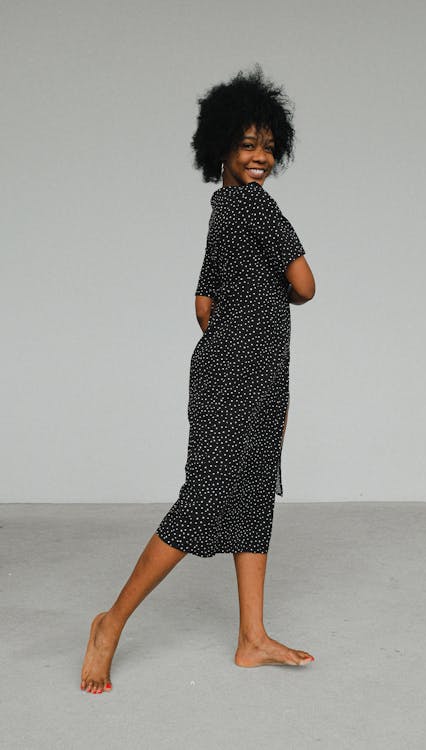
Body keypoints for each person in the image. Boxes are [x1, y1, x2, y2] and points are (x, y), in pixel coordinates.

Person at [80, 64, 316, 694]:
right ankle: (111, 622)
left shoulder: (220, 209)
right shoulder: (259, 210)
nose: (261, 156)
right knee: (209, 500)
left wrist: (244, 334)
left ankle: (251, 639)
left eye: (268, 145)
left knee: (252, 495)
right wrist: (263, 316)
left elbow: (204, 306)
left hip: (244, 371)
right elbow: (306, 286)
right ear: (222, 149)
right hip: (248, 373)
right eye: (248, 145)